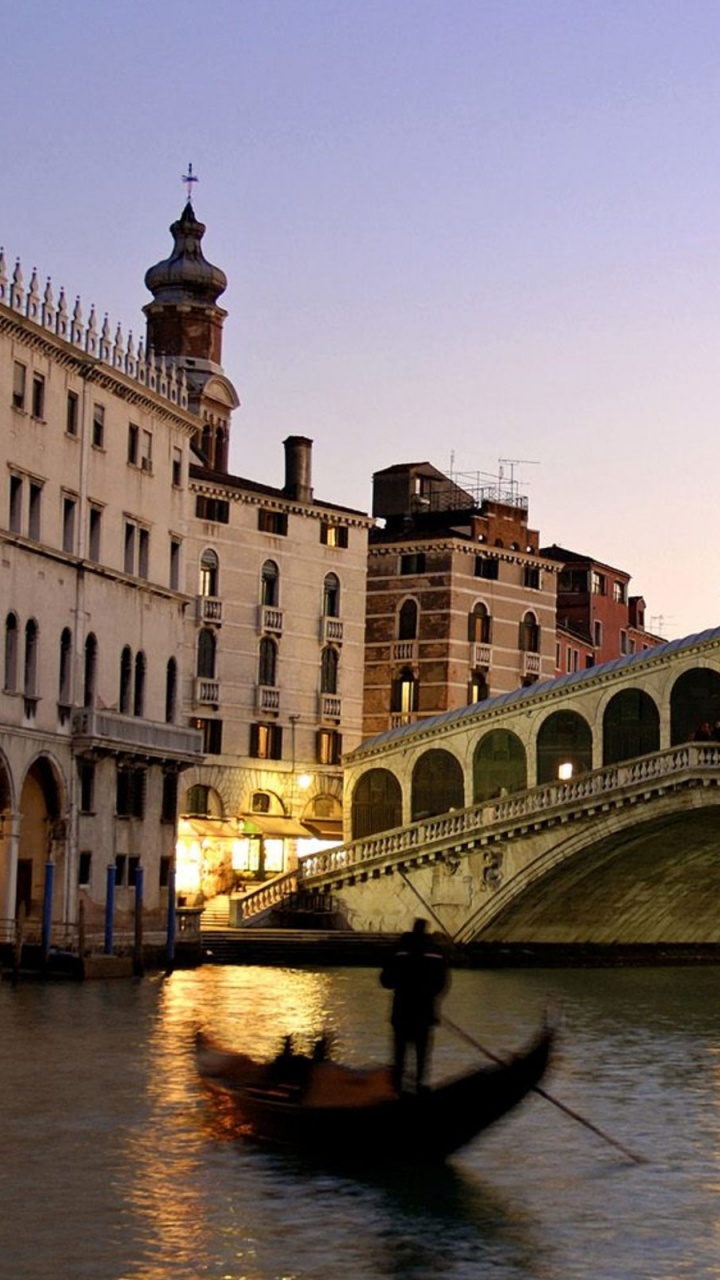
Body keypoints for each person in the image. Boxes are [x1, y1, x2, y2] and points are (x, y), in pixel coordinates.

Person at [380, 917, 449, 1093]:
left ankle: (397, 1089)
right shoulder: (435, 952)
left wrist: (402, 985)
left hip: (402, 1011)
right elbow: (442, 983)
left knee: (400, 1056)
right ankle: (420, 1086)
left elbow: (386, 980)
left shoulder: (399, 951)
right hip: (424, 1012)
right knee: (422, 1056)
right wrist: (430, 996)